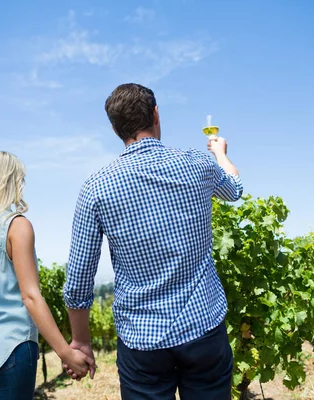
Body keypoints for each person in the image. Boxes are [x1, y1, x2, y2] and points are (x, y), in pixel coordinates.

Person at [63, 83, 243, 399]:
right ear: (156, 115)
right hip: (203, 329)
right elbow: (234, 190)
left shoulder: (95, 189)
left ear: (116, 128)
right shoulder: (198, 165)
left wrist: (81, 342)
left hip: (141, 343)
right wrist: (220, 154)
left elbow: (78, 281)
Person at [0, 151, 94, 400]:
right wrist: (66, 354)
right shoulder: (16, 226)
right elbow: (31, 296)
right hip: (9, 351)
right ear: (11, 182)